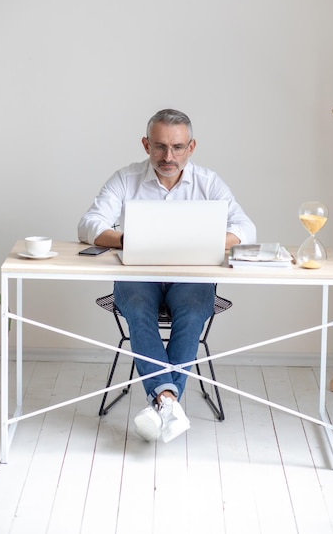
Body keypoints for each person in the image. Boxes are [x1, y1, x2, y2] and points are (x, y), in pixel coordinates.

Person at [78, 109, 256, 443]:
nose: (168, 156)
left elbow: (246, 228)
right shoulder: (125, 178)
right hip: (138, 275)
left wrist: (204, 242)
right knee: (135, 305)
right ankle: (169, 402)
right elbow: (88, 224)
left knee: (192, 308)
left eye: (177, 147)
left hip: (190, 276)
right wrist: (128, 240)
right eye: (160, 146)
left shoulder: (208, 182)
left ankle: (162, 401)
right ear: (146, 145)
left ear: (191, 147)